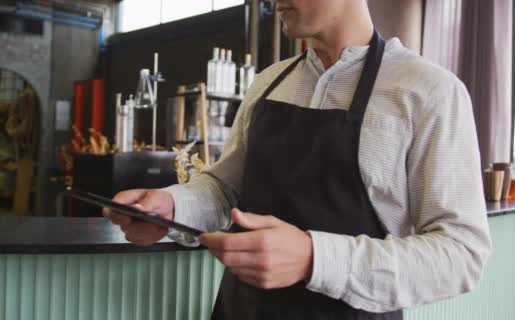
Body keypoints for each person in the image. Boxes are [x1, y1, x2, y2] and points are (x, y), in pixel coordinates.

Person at [105, 0, 492, 319]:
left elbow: (462, 253)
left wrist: (313, 258)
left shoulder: (429, 92)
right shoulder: (268, 83)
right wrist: (172, 206)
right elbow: (225, 188)